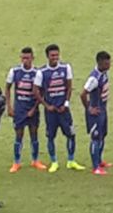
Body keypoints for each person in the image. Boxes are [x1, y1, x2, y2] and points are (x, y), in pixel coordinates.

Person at [34, 44, 84, 173]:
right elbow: (36, 91)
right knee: (51, 136)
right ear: (47, 57)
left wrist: (66, 103)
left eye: (56, 55)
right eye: (52, 56)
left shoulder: (65, 68)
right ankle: (54, 161)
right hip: (51, 111)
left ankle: (71, 160)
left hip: (64, 110)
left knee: (71, 135)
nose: (55, 58)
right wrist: (47, 106)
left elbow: (69, 87)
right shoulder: (42, 72)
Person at [5, 46, 45, 173]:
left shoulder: (37, 73)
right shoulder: (14, 71)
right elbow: (7, 88)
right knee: (19, 134)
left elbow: (41, 92)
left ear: (32, 58)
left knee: (34, 133)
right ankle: (16, 162)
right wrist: (9, 106)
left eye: (27, 58)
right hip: (20, 109)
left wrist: (34, 108)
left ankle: (35, 160)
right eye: (23, 58)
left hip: (32, 108)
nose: (25, 60)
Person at [80, 50, 112, 175]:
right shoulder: (94, 78)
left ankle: (99, 160)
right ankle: (95, 167)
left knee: (103, 135)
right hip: (96, 112)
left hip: (102, 109)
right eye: (106, 63)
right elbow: (83, 94)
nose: (109, 65)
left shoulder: (103, 74)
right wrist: (89, 108)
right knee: (95, 138)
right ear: (100, 63)